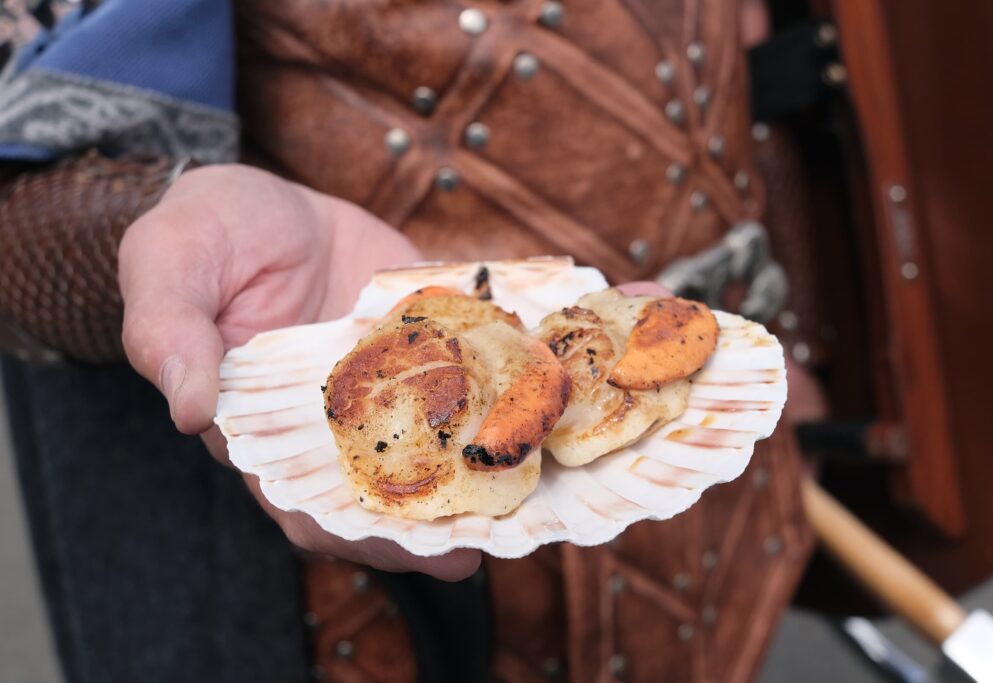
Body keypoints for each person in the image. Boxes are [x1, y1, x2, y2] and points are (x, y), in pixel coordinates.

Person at [1, 1, 812, 681]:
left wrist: (799, 333)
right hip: (343, 597)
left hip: (706, 520)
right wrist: (151, 221)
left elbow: (750, 51)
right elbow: (26, 152)